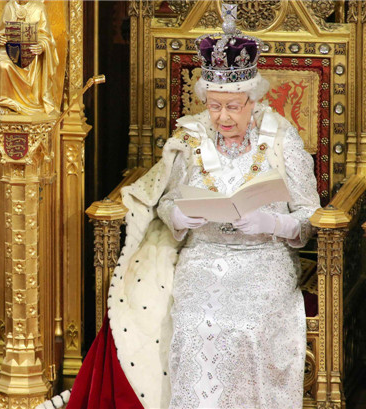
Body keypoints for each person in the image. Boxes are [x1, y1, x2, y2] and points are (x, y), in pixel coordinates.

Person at [67, 5, 320, 409]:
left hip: (264, 258)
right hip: (203, 255)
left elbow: (310, 217)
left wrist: (271, 222)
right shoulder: (190, 137)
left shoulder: (282, 138)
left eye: (233, 106)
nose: (222, 116)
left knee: (245, 328)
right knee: (191, 325)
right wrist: (177, 216)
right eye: (214, 105)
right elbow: (165, 198)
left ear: (253, 99)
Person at [0, 0, 60, 115]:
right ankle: (5, 102)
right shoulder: (9, 6)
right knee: (1, 63)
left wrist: (42, 46)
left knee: (32, 61)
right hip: (10, 50)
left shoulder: (39, 7)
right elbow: (0, 32)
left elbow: (47, 37)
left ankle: (34, 102)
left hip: (32, 53)